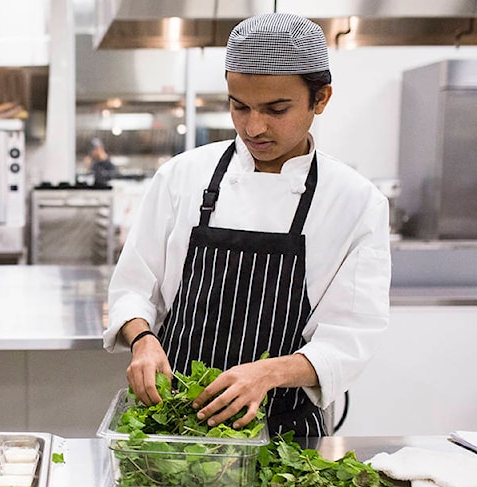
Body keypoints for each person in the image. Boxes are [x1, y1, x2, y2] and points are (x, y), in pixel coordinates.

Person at [103, 14, 391, 437]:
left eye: (276, 109)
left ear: (321, 98)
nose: (254, 127)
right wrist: (143, 340)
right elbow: (132, 287)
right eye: (239, 106)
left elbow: (350, 338)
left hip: (285, 434)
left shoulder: (355, 202)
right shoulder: (182, 176)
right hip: (175, 425)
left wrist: (267, 374)